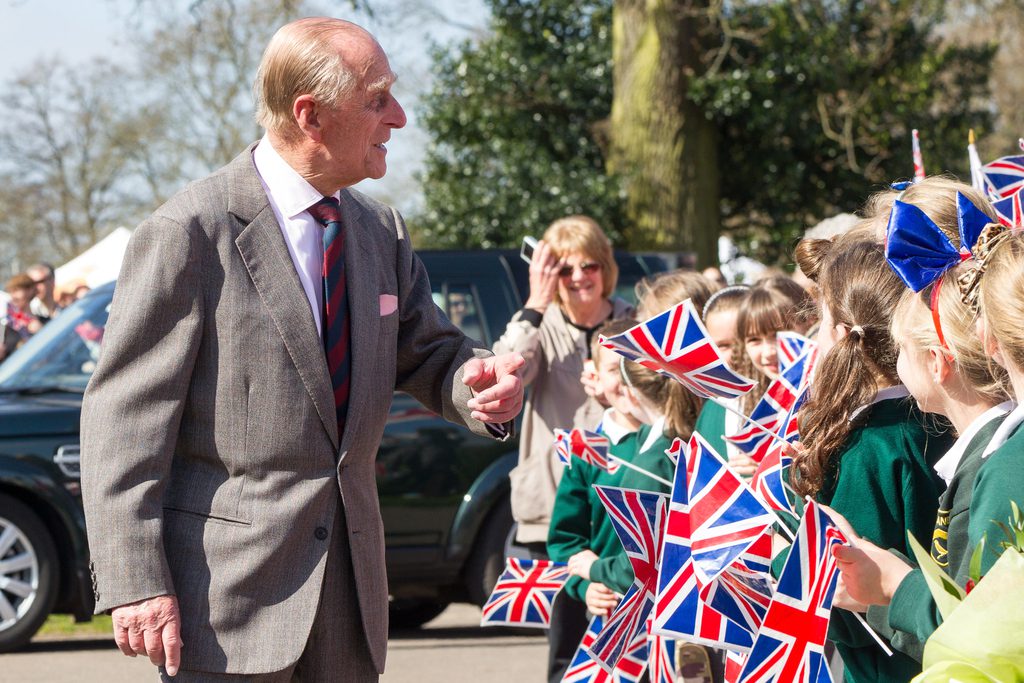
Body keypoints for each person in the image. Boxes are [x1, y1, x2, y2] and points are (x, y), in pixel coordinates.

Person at [80, 18, 524, 682]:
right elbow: (123, 419)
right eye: (378, 99)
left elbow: (428, 352)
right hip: (224, 611)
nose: (398, 118)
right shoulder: (190, 232)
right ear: (310, 116)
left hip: (350, 604)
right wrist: (136, 578)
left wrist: (476, 382)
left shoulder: (380, 231)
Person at [827, 186, 1014, 658]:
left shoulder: (1003, 471)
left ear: (937, 361)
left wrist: (893, 584)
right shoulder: (990, 458)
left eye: (901, 347)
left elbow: (989, 636)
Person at [788, 237, 953, 682]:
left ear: (842, 334)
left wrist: (785, 547)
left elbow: (846, 604)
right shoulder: (941, 415)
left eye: (819, 321)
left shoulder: (867, 449)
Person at [494, 215, 631, 682]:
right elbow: (506, 369)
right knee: (567, 652)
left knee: (630, 646)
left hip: (627, 508)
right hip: (561, 512)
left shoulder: (633, 320)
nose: (578, 278)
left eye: (589, 266)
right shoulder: (542, 326)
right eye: (565, 270)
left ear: (605, 267)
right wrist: (535, 303)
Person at [546, 318, 640, 623]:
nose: (626, 380)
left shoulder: (674, 439)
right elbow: (565, 540)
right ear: (595, 377)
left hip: (674, 603)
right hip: (613, 608)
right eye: (614, 369)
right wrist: (585, 586)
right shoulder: (587, 451)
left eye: (635, 366)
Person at [714, 277, 814, 475]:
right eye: (754, 340)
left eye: (779, 334)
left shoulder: (829, 396)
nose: (768, 352)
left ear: (809, 323)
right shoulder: (751, 405)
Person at [692, 284, 750, 460]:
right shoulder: (713, 409)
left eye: (742, 340)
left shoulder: (783, 402)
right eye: (723, 345)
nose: (735, 354)